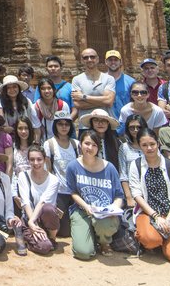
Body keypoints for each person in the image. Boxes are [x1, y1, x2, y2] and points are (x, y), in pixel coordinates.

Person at [128, 128, 170, 263]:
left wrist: (169, 220)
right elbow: (137, 194)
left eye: (152, 144)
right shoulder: (136, 165)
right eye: (144, 145)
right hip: (148, 212)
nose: (149, 148)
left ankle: (166, 241)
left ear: (158, 143)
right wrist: (155, 216)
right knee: (151, 240)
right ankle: (157, 239)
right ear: (139, 146)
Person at [64, 130, 124, 260]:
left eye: (94, 145)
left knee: (104, 225)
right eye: (87, 143)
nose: (90, 148)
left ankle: (104, 241)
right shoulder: (72, 166)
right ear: (80, 145)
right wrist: (86, 206)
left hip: (105, 214)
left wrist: (113, 208)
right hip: (82, 211)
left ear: (98, 147)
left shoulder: (109, 168)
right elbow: (73, 192)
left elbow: (119, 195)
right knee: (83, 253)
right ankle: (90, 238)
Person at [16, 145, 60, 255]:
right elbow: (25, 202)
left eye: (39, 159)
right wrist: (32, 223)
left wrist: (32, 223)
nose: (36, 163)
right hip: (29, 217)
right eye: (32, 159)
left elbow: (42, 202)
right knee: (45, 247)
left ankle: (52, 238)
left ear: (45, 160)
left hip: (46, 218)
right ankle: (32, 238)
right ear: (28, 160)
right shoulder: (22, 176)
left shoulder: (54, 180)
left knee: (49, 208)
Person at [43, 110, 79, 237]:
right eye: (60, 124)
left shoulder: (76, 144)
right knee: (64, 233)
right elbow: (48, 170)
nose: (64, 127)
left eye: (67, 124)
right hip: (59, 192)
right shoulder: (49, 144)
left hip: (75, 191)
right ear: (55, 125)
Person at [71, 48, 116, 120]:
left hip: (105, 122)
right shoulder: (76, 79)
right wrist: (102, 101)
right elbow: (78, 104)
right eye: (86, 58)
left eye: (92, 57)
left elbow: (109, 101)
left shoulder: (109, 78)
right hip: (85, 125)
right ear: (82, 60)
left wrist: (83, 97)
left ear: (97, 59)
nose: (89, 59)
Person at [118, 114, 148, 207]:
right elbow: (123, 175)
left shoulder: (150, 145)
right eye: (132, 127)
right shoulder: (124, 148)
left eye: (138, 127)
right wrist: (129, 197)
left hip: (149, 189)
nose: (135, 130)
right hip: (132, 190)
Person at [0, 74, 39, 140]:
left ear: (18, 88)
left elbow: (35, 123)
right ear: (5, 90)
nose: (12, 90)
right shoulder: (0, 104)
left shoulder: (26, 101)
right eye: (8, 88)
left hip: (25, 138)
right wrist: (4, 128)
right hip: (7, 139)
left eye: (14, 87)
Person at [34, 77, 70, 141]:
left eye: (49, 88)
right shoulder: (36, 107)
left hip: (60, 141)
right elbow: (36, 129)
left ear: (54, 90)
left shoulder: (62, 105)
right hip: (43, 142)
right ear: (39, 91)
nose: (46, 91)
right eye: (43, 89)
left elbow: (67, 125)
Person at [104, 49, 135, 120]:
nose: (113, 62)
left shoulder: (131, 82)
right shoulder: (100, 81)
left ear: (120, 62)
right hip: (106, 123)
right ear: (106, 62)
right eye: (110, 60)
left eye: (116, 60)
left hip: (125, 123)